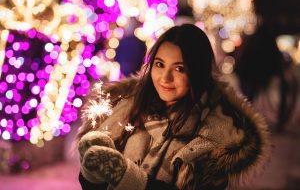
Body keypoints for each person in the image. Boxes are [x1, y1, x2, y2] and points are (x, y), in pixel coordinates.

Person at [76, 24, 270, 190]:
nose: (165, 78)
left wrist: (129, 178)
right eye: (159, 64)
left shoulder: (218, 134)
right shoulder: (126, 110)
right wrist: (91, 174)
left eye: (179, 68)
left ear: (198, 72)